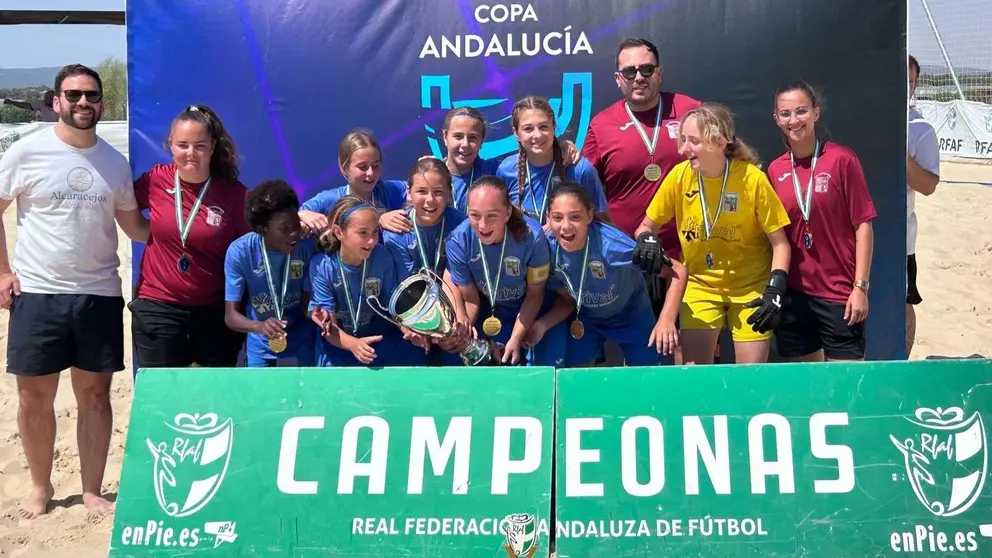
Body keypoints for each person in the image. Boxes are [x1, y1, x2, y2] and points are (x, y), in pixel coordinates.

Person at [0, 64, 148, 518]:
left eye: (91, 95)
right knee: (34, 398)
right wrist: (3, 272)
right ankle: (40, 489)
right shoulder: (26, 153)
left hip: (99, 293)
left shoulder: (115, 162)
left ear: (101, 102)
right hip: (37, 292)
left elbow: (135, 228)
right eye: (74, 94)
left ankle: (90, 490)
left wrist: (188, 229)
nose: (84, 102)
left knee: (95, 397)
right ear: (57, 100)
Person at [633, 103, 792, 365]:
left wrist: (775, 289)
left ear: (719, 143)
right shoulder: (680, 176)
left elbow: (781, 244)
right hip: (700, 286)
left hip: (750, 288)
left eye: (692, 141)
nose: (683, 149)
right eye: (682, 140)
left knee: (748, 381)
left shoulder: (751, 179)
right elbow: (646, 225)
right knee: (695, 379)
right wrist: (646, 239)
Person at [130, 104, 251, 369]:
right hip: (158, 306)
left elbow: (265, 229)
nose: (190, 154)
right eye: (182, 145)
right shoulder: (155, 180)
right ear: (170, 144)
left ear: (213, 146)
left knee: (212, 401)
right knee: (162, 397)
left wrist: (303, 215)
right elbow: (117, 202)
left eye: (200, 146)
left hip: (214, 311)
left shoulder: (233, 194)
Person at [765, 81, 877, 362]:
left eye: (801, 111)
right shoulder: (775, 169)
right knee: (807, 390)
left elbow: (863, 226)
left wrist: (860, 287)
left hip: (839, 294)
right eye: (786, 113)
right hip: (794, 296)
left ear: (815, 113)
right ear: (777, 119)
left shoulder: (842, 160)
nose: (794, 120)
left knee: (846, 387)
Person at [525, 182, 687, 366]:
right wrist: (542, 325)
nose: (566, 227)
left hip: (632, 316)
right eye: (557, 217)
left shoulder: (612, 245)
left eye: (575, 217)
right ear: (548, 218)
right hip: (588, 318)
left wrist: (667, 319)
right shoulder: (546, 248)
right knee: (571, 375)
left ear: (590, 215)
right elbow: (566, 299)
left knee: (647, 378)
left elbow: (677, 270)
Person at [308, 196, 430, 366]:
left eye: (375, 232)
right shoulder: (322, 266)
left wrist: (408, 330)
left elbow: (391, 306)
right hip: (338, 348)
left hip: (377, 343)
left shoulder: (382, 257)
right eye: (363, 233)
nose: (371, 240)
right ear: (338, 232)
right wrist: (353, 344)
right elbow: (329, 328)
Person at [445, 176, 552, 364]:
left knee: (537, 367)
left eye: (492, 215)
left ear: (508, 213)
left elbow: (535, 295)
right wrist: (463, 333)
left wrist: (515, 338)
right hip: (489, 311)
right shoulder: (458, 241)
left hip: (528, 311)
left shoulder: (532, 238)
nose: (483, 225)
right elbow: (471, 299)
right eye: (475, 215)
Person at [382, 156, 469, 365]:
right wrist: (419, 331)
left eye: (438, 192)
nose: (430, 200)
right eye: (421, 191)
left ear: (449, 194)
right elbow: (404, 293)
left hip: (455, 309)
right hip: (413, 317)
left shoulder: (462, 226)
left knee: (458, 359)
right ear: (409, 193)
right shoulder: (397, 232)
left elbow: (458, 280)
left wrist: (453, 328)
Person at [224, 179, 318, 367]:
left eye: (295, 225)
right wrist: (258, 326)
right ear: (262, 229)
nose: (294, 234)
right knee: (260, 393)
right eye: (284, 229)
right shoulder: (240, 252)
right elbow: (230, 316)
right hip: (262, 338)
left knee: (313, 392)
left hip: (304, 335)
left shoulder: (308, 245)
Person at [441, 107, 582, 213]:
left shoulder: (494, 170)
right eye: (458, 136)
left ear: (482, 141)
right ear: (445, 137)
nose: (465, 145)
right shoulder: (432, 175)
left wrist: (562, 147)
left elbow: (531, 155)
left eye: (472, 138)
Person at [497, 96, 609, 226]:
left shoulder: (580, 170)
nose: (537, 135)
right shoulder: (506, 170)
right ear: (516, 132)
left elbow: (603, 224)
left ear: (554, 127)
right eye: (528, 129)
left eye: (544, 127)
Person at [298, 129, 411, 235]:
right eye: (363, 167)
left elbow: (419, 188)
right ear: (344, 167)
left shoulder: (390, 190)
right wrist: (303, 215)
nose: (370, 173)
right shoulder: (329, 200)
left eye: (376, 165)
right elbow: (293, 217)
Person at [906, 54, 940, 358]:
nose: (906, 86)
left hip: (900, 238)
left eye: (911, 81)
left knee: (904, 301)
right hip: (850, 234)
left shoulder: (920, 129)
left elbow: (928, 186)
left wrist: (898, 151)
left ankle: (900, 363)